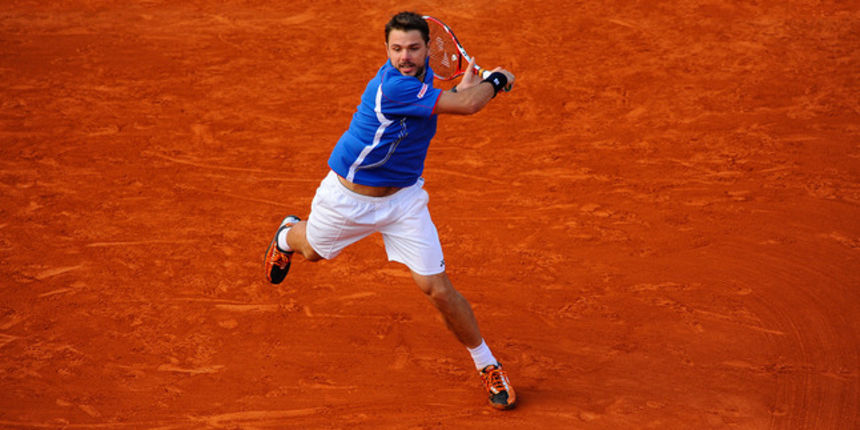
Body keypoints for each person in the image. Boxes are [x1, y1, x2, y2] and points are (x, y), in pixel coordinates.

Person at [264, 11, 517, 410]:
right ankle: (286, 234)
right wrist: (495, 82)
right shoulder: (392, 87)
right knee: (311, 250)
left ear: (426, 49)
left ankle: (487, 364)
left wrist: (466, 90)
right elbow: (468, 106)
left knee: (438, 290)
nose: (405, 56)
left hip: (403, 201)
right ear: (386, 50)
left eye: (414, 48)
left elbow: (454, 102)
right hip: (348, 200)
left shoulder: (424, 79)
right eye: (396, 49)